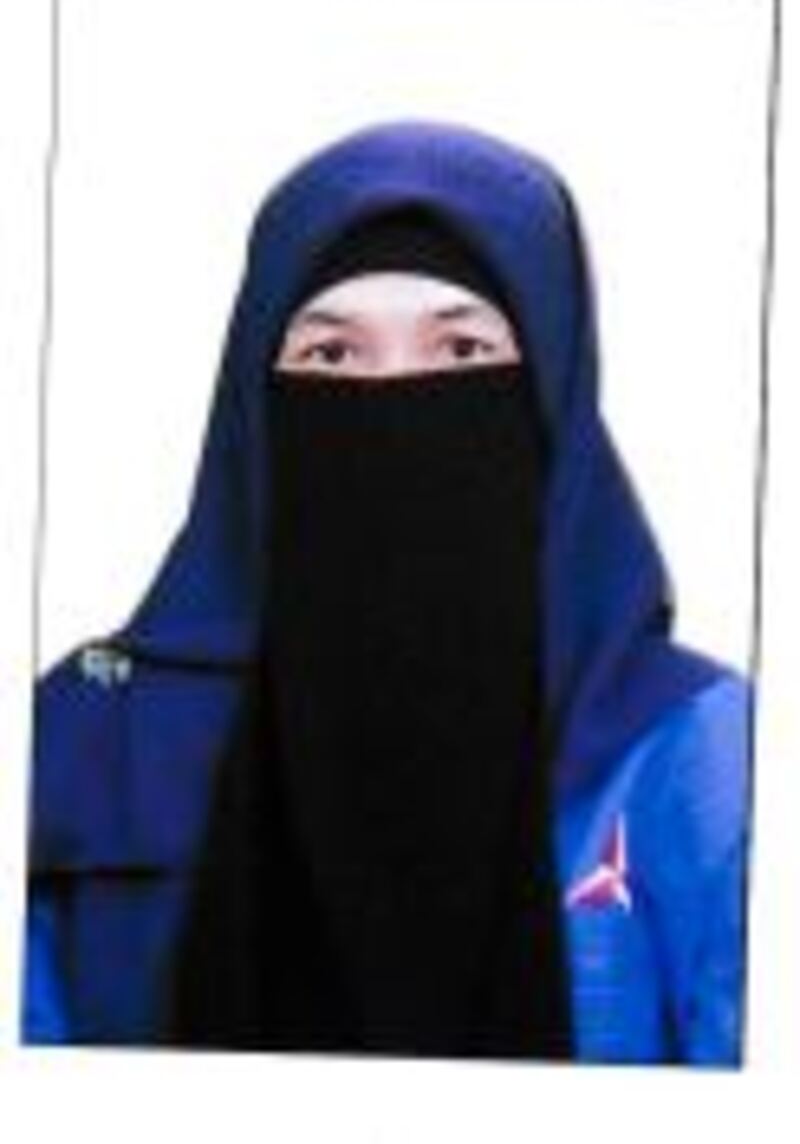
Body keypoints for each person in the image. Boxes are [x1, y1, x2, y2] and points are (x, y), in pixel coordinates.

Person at [22, 120, 751, 1064]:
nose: (396, 402)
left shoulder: (692, 755)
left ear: (553, 398)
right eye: (331, 357)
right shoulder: (92, 738)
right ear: (253, 406)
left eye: (463, 352)